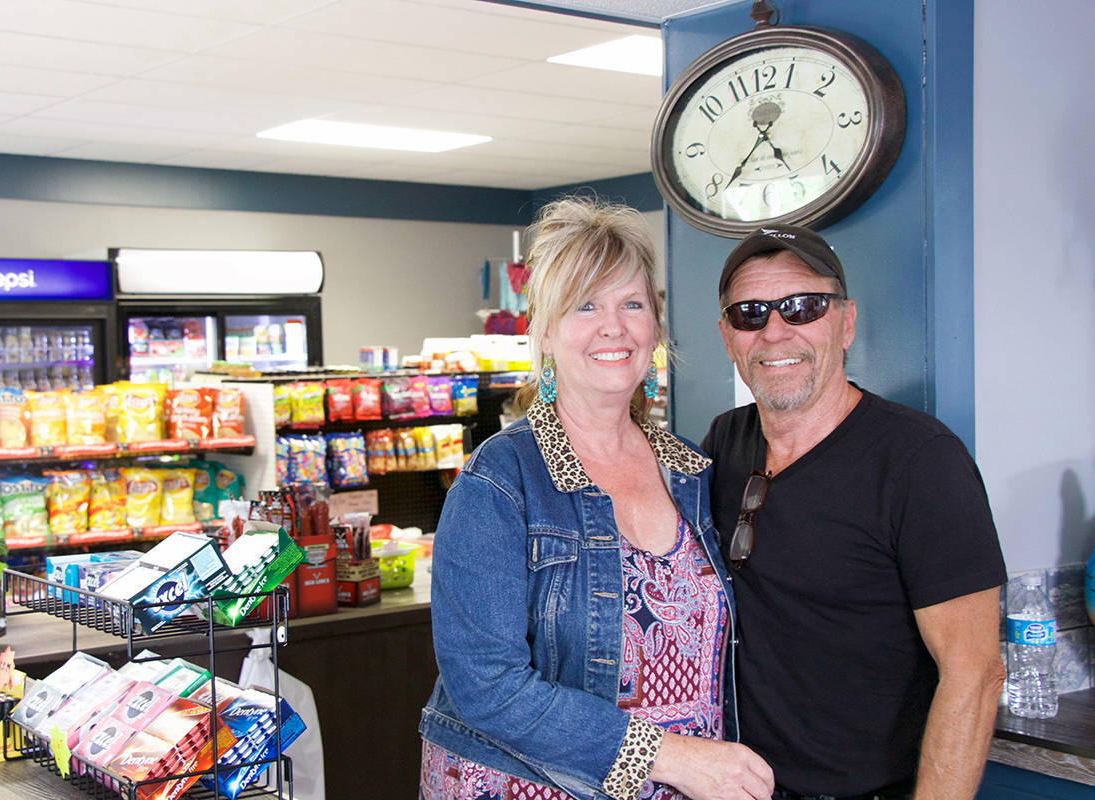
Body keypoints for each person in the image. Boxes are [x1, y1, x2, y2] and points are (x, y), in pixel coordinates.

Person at [419, 197, 774, 800]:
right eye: (586, 305)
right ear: (546, 333)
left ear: (655, 328)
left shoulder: (689, 469)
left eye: (632, 304)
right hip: (533, 787)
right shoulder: (501, 480)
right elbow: (486, 684)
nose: (614, 326)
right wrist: (667, 756)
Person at [700, 224, 1007, 800]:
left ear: (846, 322)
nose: (774, 331)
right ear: (726, 335)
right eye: (750, 313)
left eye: (803, 307)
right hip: (736, 784)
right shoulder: (724, 441)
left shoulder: (919, 460)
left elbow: (975, 672)